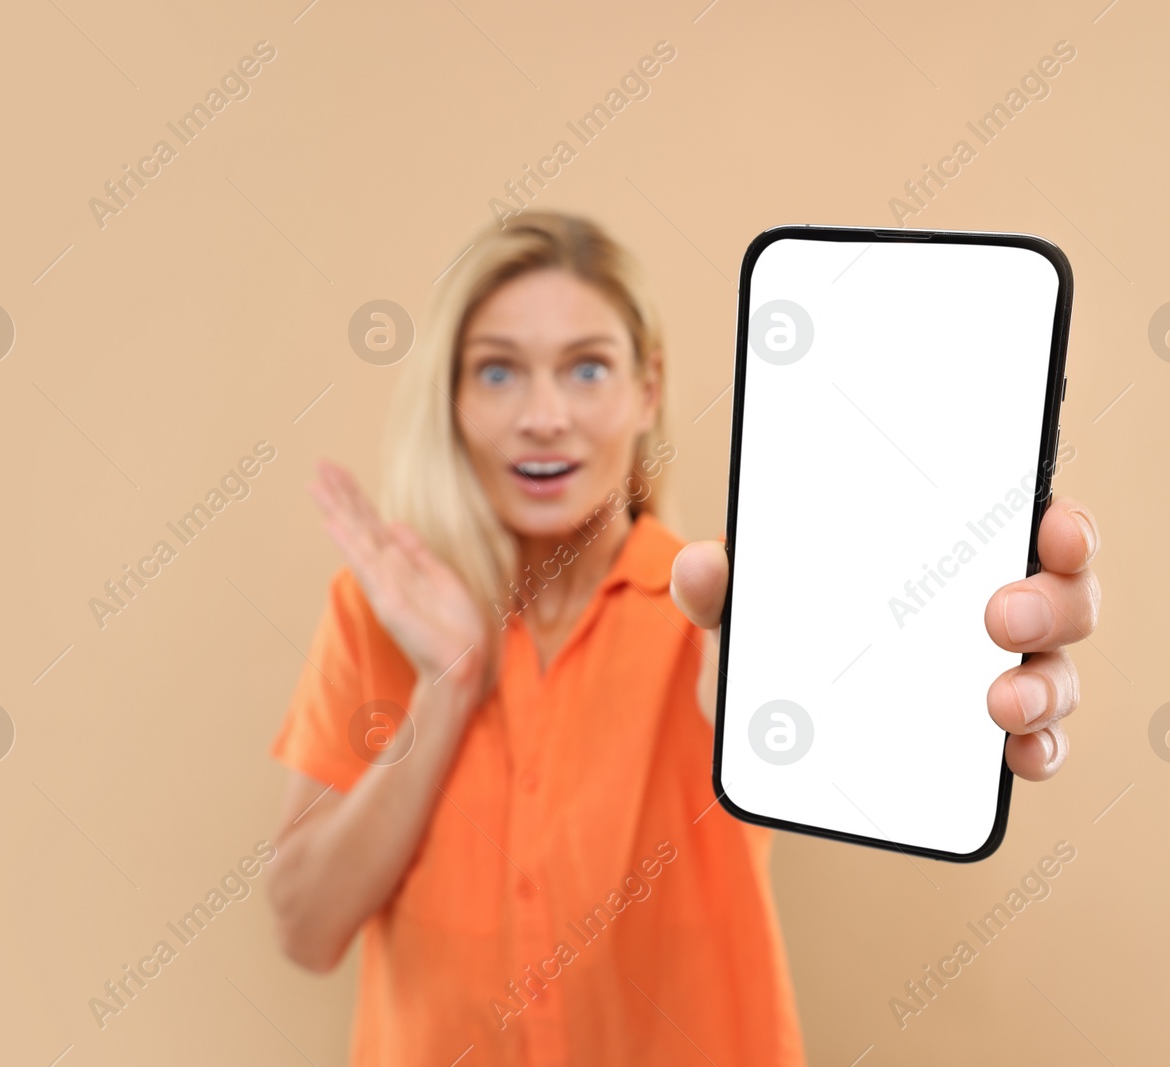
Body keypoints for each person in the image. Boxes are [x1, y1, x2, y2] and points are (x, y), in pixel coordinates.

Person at [266, 211, 1101, 1066]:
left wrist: (924, 629)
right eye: (498, 372)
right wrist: (447, 687)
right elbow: (303, 926)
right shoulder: (377, 613)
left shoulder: (720, 610)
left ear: (648, 387)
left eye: (587, 367)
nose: (544, 416)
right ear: (453, 397)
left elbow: (778, 704)